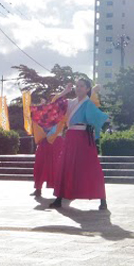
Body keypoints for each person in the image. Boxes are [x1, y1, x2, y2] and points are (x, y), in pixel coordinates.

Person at [33, 79, 108, 210]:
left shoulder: (88, 103)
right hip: (70, 137)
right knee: (64, 166)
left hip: (84, 137)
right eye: (77, 86)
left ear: (87, 89)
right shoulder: (70, 103)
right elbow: (55, 103)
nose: (78, 88)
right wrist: (65, 91)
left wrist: (94, 93)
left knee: (91, 166)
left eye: (82, 86)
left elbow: (100, 117)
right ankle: (59, 198)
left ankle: (102, 199)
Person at [31, 97, 66, 197]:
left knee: (57, 165)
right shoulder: (43, 113)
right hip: (44, 141)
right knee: (40, 164)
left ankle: (59, 189)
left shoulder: (62, 114)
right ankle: (38, 188)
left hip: (56, 142)